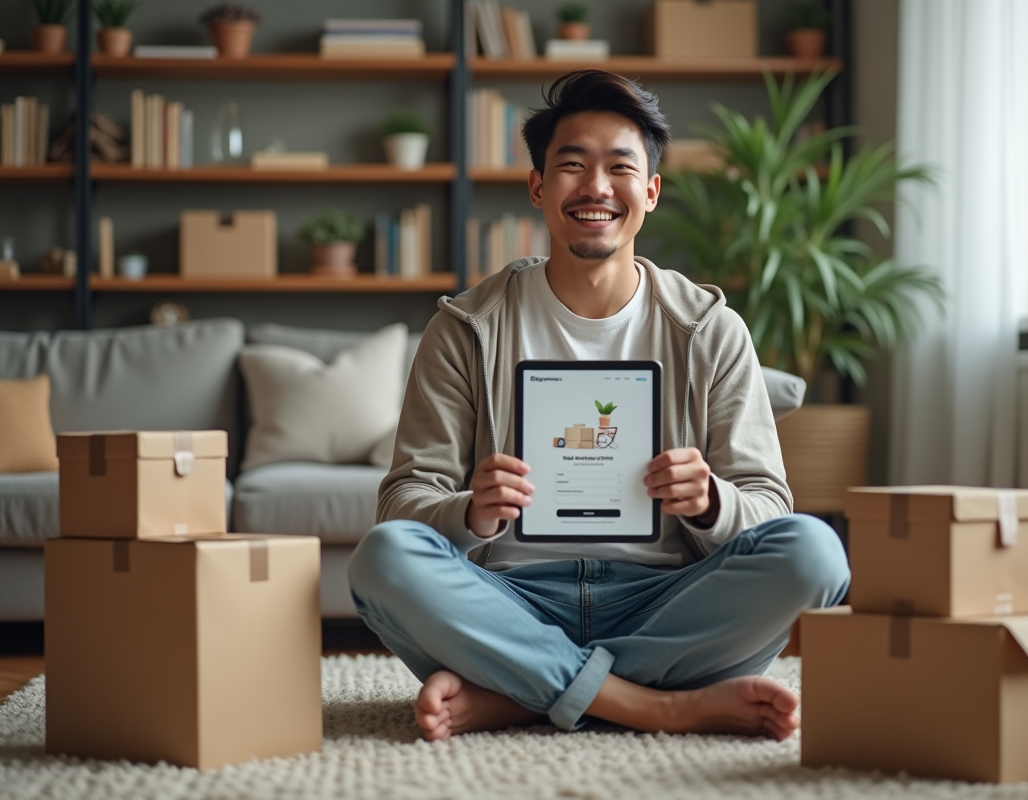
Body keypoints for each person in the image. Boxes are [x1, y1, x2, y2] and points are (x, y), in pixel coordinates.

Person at [348, 69, 850, 743]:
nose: (596, 188)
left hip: (664, 598)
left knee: (817, 554)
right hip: (514, 599)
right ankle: (656, 704)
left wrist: (709, 502)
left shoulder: (710, 328)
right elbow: (404, 500)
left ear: (650, 192)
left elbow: (769, 505)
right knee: (384, 557)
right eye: (572, 166)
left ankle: (521, 695)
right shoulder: (467, 326)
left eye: (620, 167)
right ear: (537, 187)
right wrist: (467, 510)